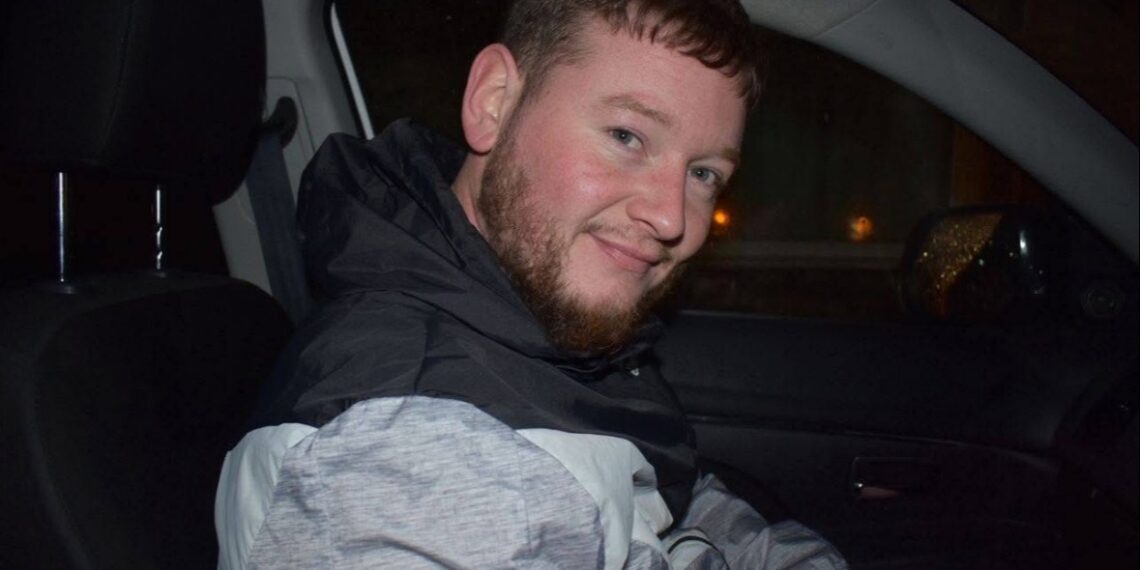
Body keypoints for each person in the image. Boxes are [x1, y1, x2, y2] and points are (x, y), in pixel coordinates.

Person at [215, 1, 847, 568]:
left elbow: (666, 496)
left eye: (704, 173)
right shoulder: (402, 466)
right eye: (627, 136)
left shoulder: (526, 314)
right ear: (494, 101)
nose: (671, 217)